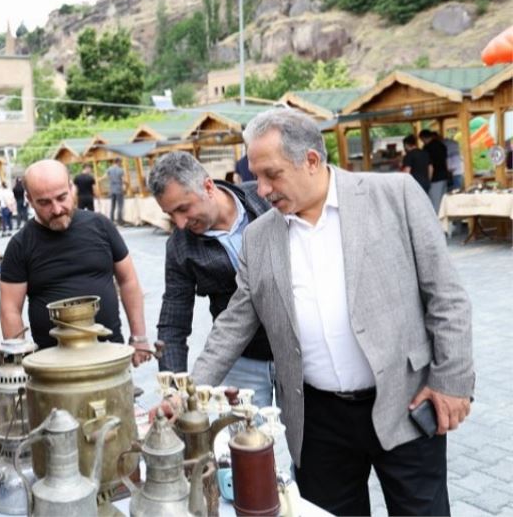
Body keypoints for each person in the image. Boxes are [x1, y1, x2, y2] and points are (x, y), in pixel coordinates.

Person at [191, 108, 473, 516]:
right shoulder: (259, 237)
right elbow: (232, 324)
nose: (262, 190)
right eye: (257, 176)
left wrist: (451, 381)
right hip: (317, 420)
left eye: (272, 174)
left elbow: (446, 295)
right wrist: (190, 392)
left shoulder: (395, 195)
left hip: (405, 400)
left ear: (311, 160)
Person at [149, 152, 275, 407]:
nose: (180, 223)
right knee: (243, 432)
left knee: (305, 430)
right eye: (170, 214)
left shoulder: (265, 199)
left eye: (183, 209)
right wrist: (174, 391)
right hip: (240, 359)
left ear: (208, 187)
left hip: (297, 351)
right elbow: (173, 322)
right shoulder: (180, 247)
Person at [0, 159, 151, 364]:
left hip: (111, 356)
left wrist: (139, 337)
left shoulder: (101, 226)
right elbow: (10, 309)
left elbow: (128, 281)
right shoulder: (20, 245)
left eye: (62, 197)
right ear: (29, 199)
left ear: (72, 188)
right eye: (44, 202)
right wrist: (19, 363)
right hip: (52, 365)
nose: (57, 209)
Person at [419, 129, 449, 212]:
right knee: (443, 201)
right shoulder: (441, 145)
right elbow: (446, 160)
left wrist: (428, 179)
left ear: (423, 138)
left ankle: (436, 219)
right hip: (444, 175)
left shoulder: (427, 148)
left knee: (435, 202)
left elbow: (429, 165)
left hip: (435, 178)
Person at [107, 158, 126, 224]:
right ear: (118, 162)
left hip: (112, 190)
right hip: (119, 189)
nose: (121, 164)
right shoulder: (120, 170)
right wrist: (127, 184)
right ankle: (119, 220)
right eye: (121, 162)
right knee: (120, 206)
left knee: (112, 206)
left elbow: (107, 177)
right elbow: (123, 180)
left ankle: (111, 220)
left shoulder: (109, 169)